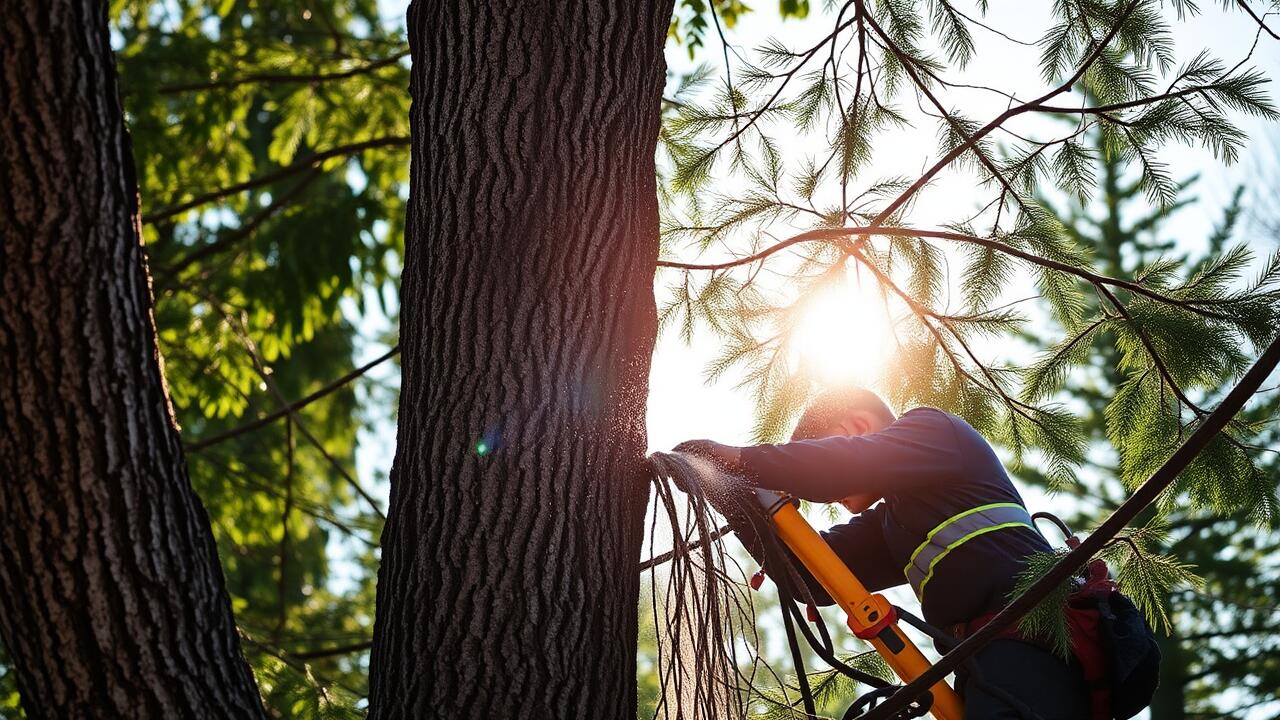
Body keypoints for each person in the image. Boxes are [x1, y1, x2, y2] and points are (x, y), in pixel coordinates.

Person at [675, 387, 1089, 719]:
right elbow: (815, 574)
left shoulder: (935, 430)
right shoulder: (895, 521)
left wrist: (739, 459)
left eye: (820, 454)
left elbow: (844, 464)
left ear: (857, 425)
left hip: (1040, 643)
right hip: (991, 664)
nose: (830, 498)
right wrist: (726, 493)